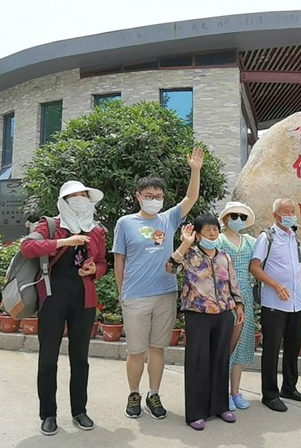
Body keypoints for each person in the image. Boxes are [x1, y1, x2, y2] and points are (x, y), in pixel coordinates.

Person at [112, 147, 204, 420]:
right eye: (148, 196)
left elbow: (191, 197)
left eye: (158, 196)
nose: (154, 200)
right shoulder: (125, 223)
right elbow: (119, 260)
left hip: (165, 293)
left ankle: (153, 394)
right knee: (136, 351)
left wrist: (195, 170)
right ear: (138, 196)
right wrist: (122, 293)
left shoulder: (169, 218)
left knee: (157, 349)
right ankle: (134, 393)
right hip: (135, 297)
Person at [19, 181, 107, 436]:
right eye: (74, 196)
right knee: (48, 359)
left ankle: (79, 411)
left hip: (83, 300)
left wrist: (95, 270)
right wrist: (62, 242)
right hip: (53, 298)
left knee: (80, 359)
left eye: (83, 195)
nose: (80, 199)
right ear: (64, 201)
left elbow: (102, 263)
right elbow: (27, 247)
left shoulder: (96, 230)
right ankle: (48, 414)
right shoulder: (51, 225)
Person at [166, 216, 245, 431]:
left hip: (223, 314)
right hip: (198, 313)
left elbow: (233, 283)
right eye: (208, 230)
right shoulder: (189, 254)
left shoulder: (224, 257)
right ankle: (195, 412)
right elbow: (170, 267)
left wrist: (238, 305)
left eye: (215, 229)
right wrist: (185, 243)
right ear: (198, 234)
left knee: (220, 361)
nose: (212, 233)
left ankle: (219, 407)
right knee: (197, 363)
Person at [250, 198, 301, 412]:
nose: (291, 215)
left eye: (293, 211)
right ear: (276, 215)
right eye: (286, 211)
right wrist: (275, 285)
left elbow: (299, 268)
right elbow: (255, 267)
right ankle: (269, 394)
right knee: (272, 349)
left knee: (293, 347)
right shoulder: (267, 237)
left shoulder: (294, 237)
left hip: (296, 304)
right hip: (274, 303)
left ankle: (289, 387)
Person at [217, 201, 257, 412]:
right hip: (224, 299)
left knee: (241, 345)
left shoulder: (250, 241)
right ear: (225, 219)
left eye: (242, 217)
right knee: (225, 345)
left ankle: (236, 391)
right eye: (234, 216)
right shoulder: (218, 241)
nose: (238, 220)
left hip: (246, 299)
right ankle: (221, 391)